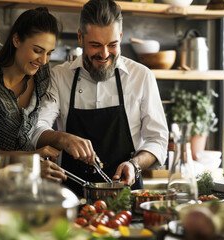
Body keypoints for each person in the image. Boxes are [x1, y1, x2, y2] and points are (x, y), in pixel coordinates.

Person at [33, 0, 168, 197]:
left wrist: (135, 164)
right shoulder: (59, 76)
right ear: (80, 37)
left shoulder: (141, 76)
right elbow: (36, 129)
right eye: (95, 45)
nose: (104, 54)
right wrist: (62, 138)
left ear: (120, 37)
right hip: (72, 197)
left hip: (127, 198)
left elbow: (158, 140)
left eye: (112, 45)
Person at [0, 8, 70, 183]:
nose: (43, 60)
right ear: (16, 40)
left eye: (49, 53)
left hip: (28, 185)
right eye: (37, 50)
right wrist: (30, 159)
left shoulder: (42, 77)